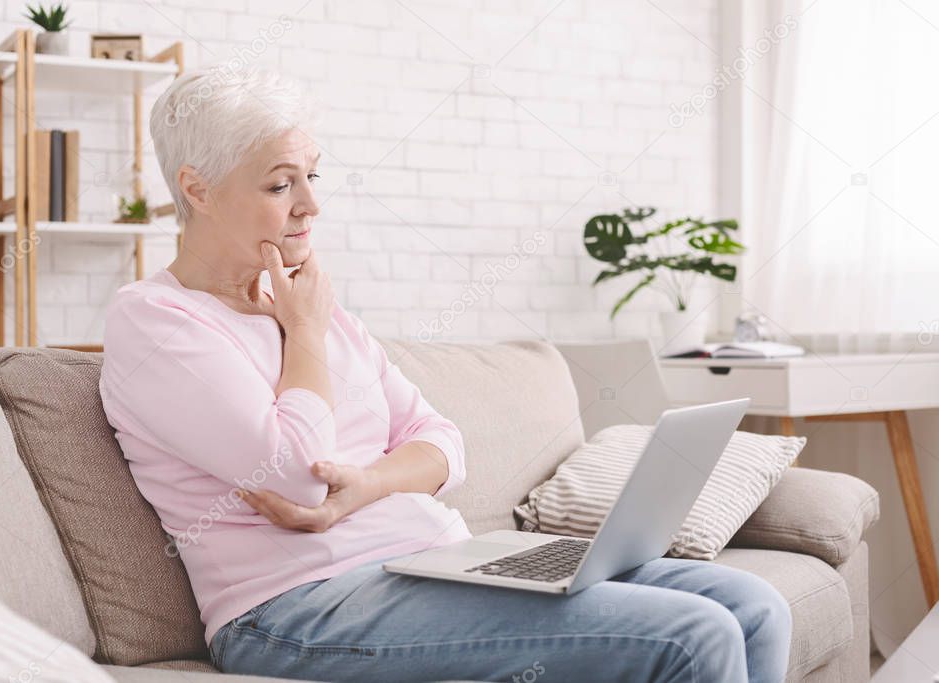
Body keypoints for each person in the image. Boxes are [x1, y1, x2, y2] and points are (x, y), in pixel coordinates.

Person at [98, 66, 792, 683]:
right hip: (297, 609)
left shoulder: (315, 305)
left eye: (314, 175)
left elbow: (443, 443)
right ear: (199, 188)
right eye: (281, 183)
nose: (311, 203)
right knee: (694, 634)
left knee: (754, 607)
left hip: (440, 560)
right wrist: (303, 331)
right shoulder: (159, 322)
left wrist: (365, 483)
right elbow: (296, 473)